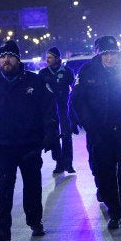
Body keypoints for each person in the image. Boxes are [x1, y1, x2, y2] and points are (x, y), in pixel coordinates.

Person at [0, 40, 59, 241]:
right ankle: (1, 230)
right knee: (5, 186)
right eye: (3, 57)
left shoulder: (34, 82)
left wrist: (50, 134)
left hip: (29, 144)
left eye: (11, 56)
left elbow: (49, 110)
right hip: (1, 145)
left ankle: (34, 220)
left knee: (32, 185)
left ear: (18, 59)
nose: (6, 60)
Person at [69, 35, 121, 234]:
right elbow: (77, 100)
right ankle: (114, 213)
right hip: (100, 133)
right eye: (106, 53)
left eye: (113, 53)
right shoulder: (87, 72)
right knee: (106, 175)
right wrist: (89, 124)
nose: (110, 57)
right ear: (98, 54)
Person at [39, 46, 77, 174]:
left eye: (50, 57)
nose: (48, 60)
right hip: (50, 111)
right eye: (47, 57)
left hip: (63, 108)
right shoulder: (43, 73)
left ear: (57, 58)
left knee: (66, 135)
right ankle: (59, 163)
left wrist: (73, 107)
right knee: (54, 136)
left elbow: (74, 89)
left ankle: (68, 163)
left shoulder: (67, 71)